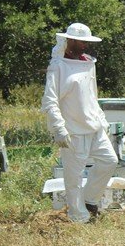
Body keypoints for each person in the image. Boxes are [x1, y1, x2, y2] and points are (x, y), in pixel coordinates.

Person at [42, 23, 118, 223]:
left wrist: (102, 120)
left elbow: (92, 96)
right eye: (81, 41)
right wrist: (58, 127)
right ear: (70, 40)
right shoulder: (57, 66)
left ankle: (89, 200)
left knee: (110, 161)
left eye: (86, 41)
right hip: (73, 131)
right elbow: (50, 100)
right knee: (73, 178)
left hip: (94, 127)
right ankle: (78, 217)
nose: (85, 45)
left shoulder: (88, 63)